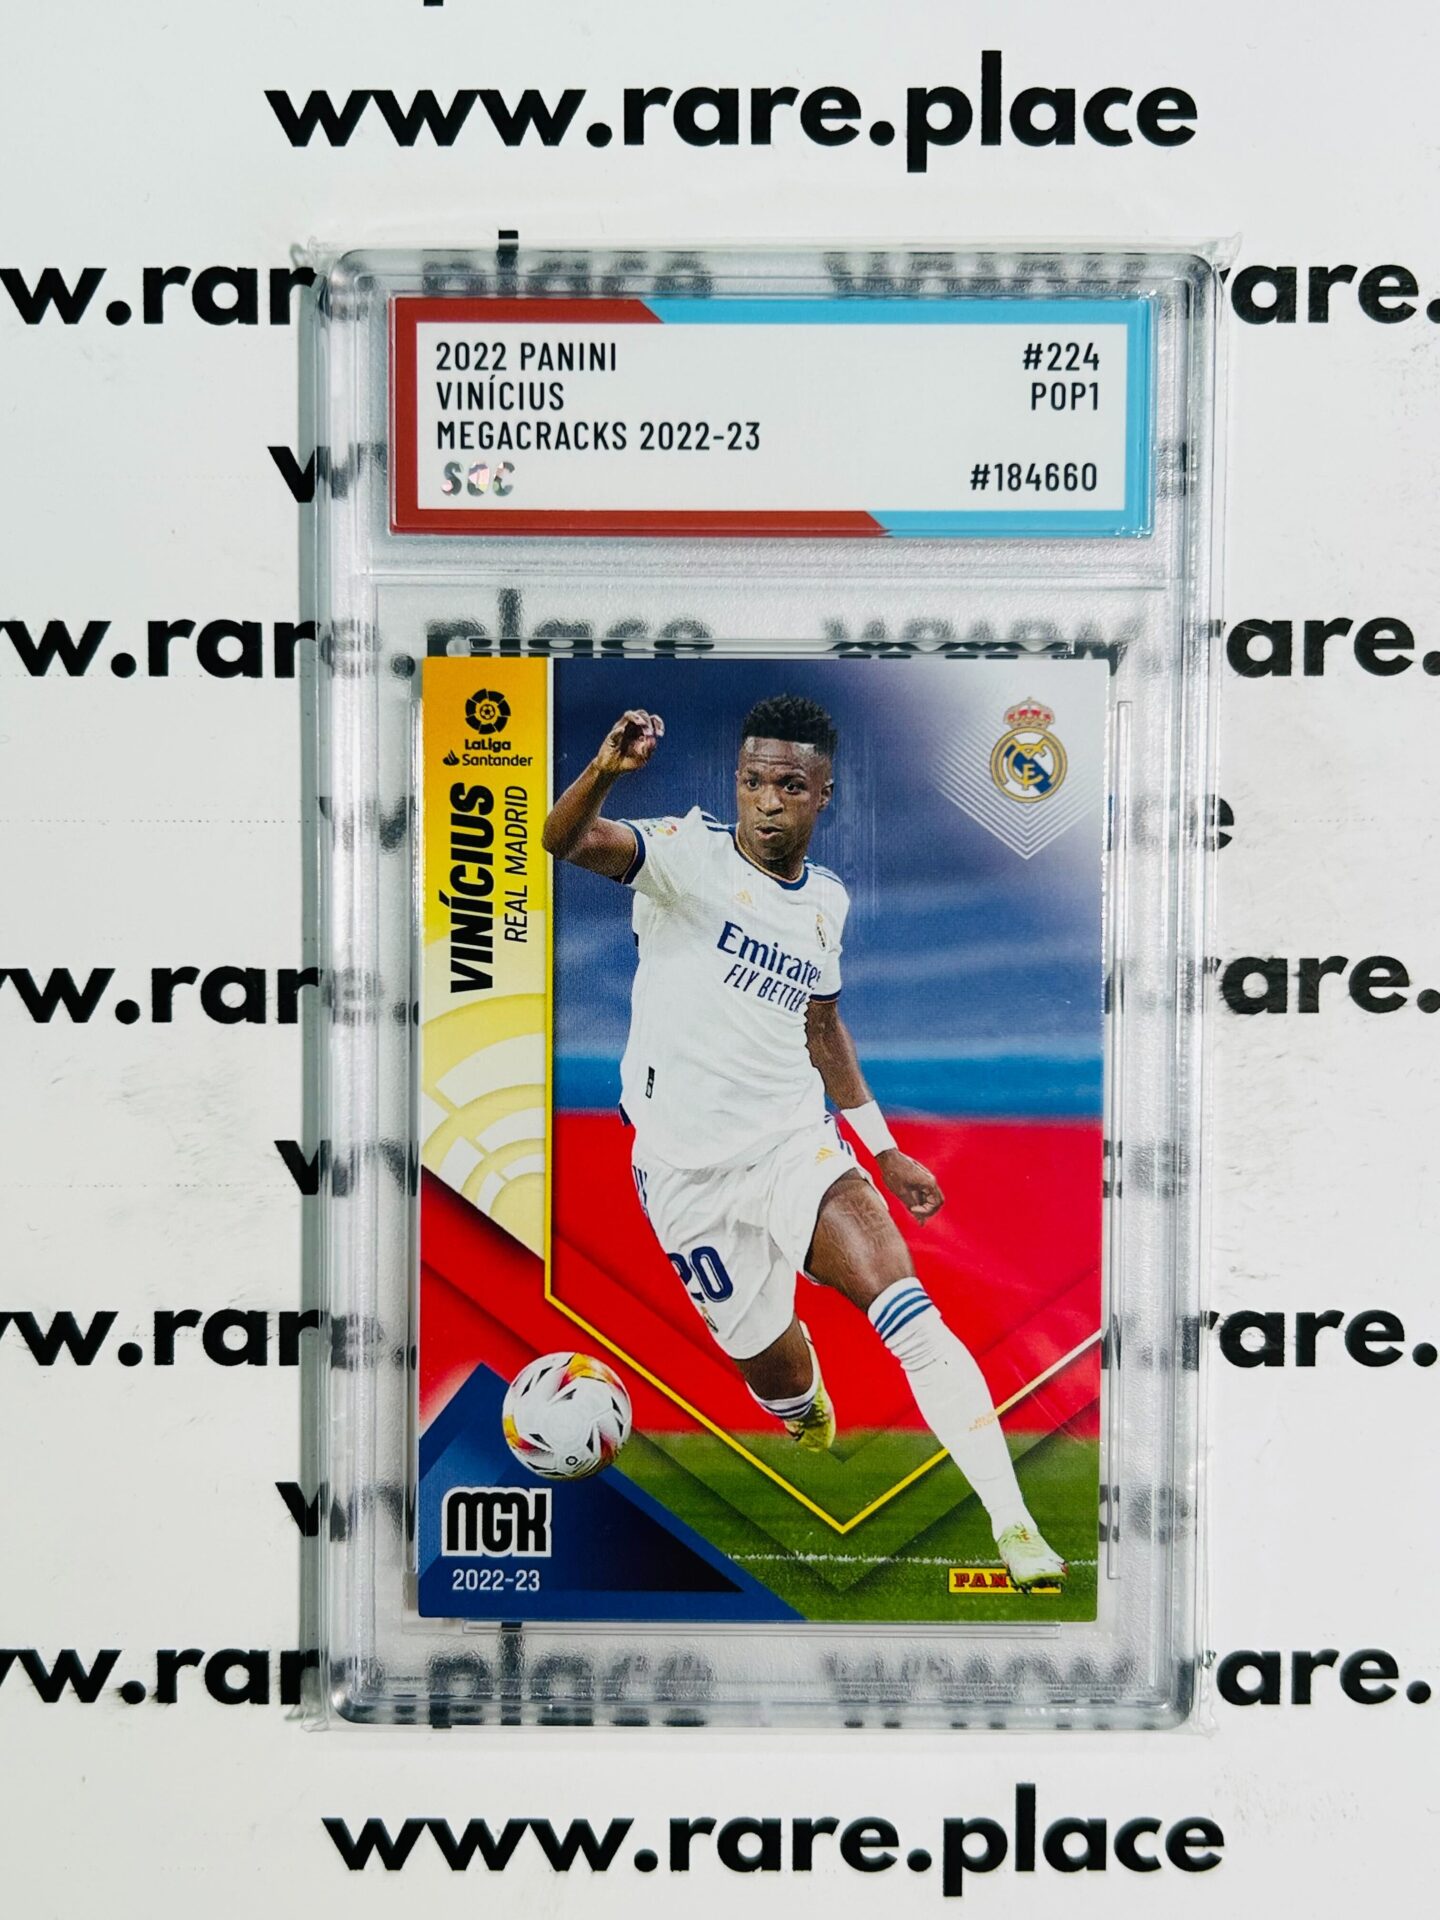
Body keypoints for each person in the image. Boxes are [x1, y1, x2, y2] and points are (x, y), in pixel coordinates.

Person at [542, 692, 1065, 1590]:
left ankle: (1016, 1530)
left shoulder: (826, 902)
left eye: (789, 785)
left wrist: (882, 1147)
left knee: (909, 1312)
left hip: (793, 1146)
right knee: (774, 1375)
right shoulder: (684, 856)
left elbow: (822, 1028)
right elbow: (566, 841)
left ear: (824, 794)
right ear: (736, 784)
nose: (767, 801)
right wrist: (602, 770)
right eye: (753, 781)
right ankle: (803, 1401)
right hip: (683, 1175)